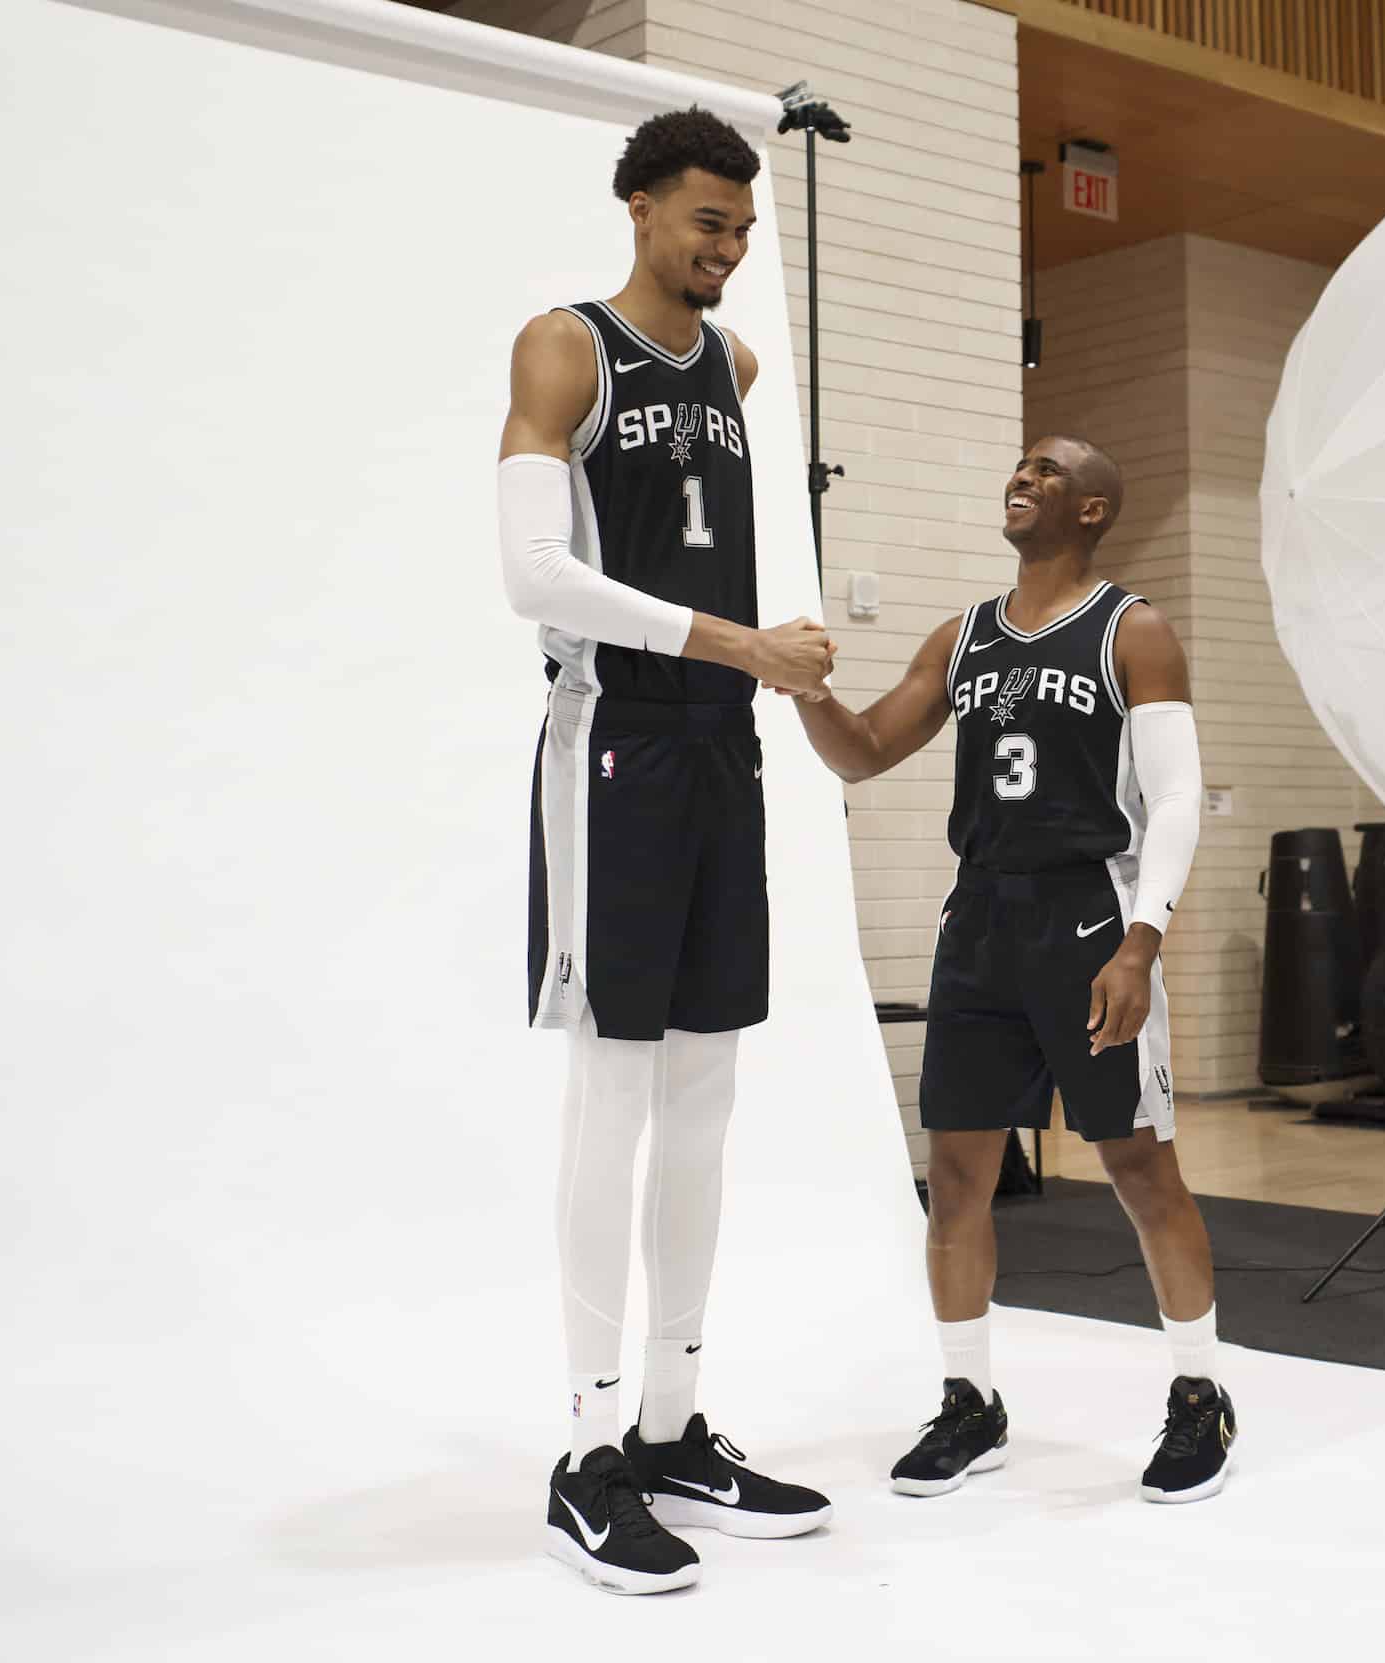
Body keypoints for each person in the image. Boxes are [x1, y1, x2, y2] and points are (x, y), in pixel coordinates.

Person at [497, 107, 836, 1596]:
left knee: (706, 1084)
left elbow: (745, 560)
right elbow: (529, 573)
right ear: (639, 208)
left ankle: (675, 1420)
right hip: (616, 741)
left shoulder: (739, 369)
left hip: (723, 745)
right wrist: (733, 641)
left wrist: (788, 657)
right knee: (615, 1086)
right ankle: (585, 1452)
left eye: (744, 229)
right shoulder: (565, 347)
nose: (728, 249)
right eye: (707, 222)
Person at [780, 435, 1235, 1505]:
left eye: (1047, 469)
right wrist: (800, 687)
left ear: (1091, 509)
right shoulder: (963, 635)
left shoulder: (1135, 629)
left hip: (1088, 917)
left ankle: (1199, 1392)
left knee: (1138, 1168)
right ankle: (968, 1400)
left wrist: (1142, 938)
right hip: (980, 917)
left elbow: (1172, 799)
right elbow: (862, 751)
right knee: (955, 1179)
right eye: (1019, 466)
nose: (1022, 477)